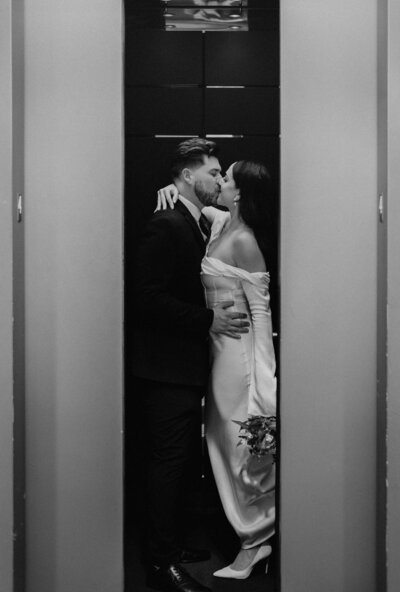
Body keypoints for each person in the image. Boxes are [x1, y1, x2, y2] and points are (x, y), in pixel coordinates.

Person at [131, 138, 250, 592]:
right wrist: (208, 318)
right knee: (167, 462)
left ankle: (171, 545)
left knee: (178, 462)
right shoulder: (166, 223)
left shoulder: (195, 218)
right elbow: (146, 298)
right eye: (214, 172)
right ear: (187, 176)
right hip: (164, 369)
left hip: (184, 367)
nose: (219, 179)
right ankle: (160, 565)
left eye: (222, 175)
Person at [158, 158, 277, 579]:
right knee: (221, 446)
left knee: (241, 444)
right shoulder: (221, 220)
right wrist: (168, 192)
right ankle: (252, 536)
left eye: (225, 178)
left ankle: (256, 541)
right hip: (213, 350)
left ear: (240, 191)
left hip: (238, 356)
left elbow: (261, 315)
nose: (219, 182)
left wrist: (266, 383)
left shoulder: (244, 239)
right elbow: (193, 202)